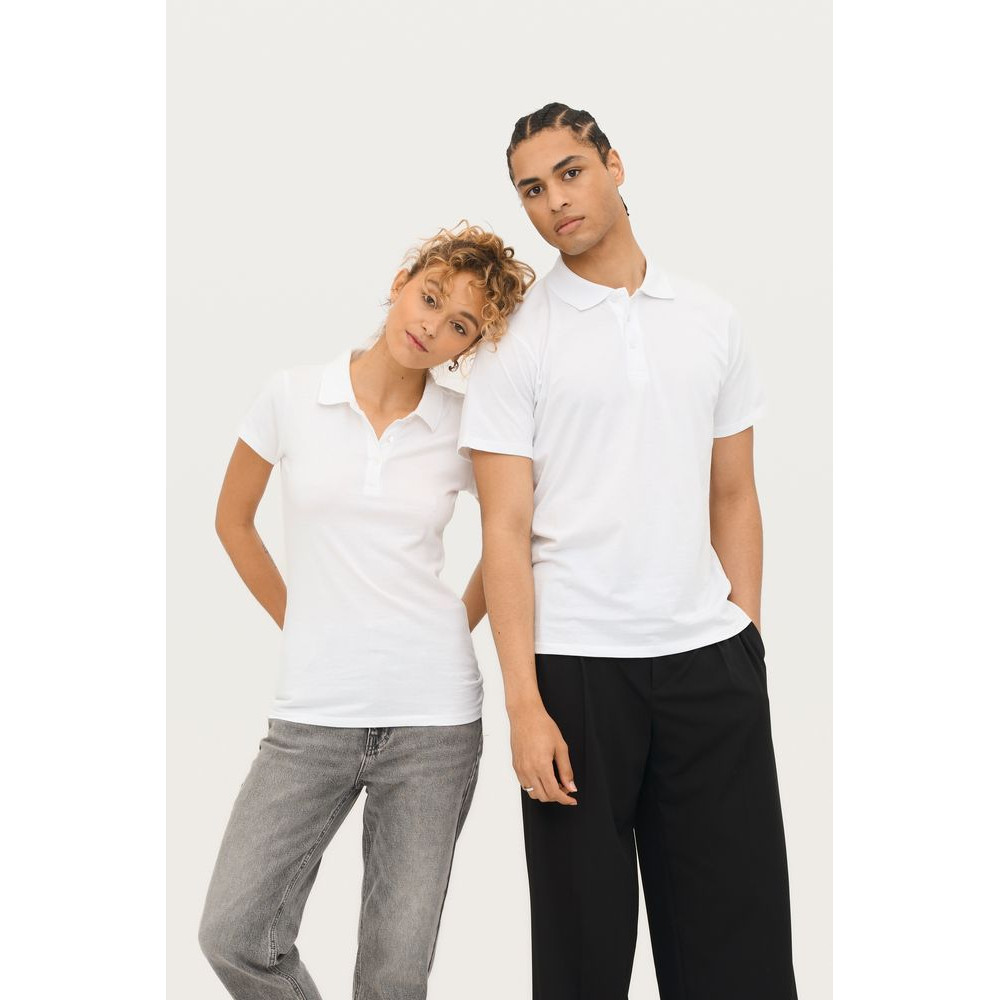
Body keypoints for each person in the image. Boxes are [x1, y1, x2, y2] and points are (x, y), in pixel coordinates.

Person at [459, 104, 798, 999]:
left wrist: (746, 635)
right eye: (532, 190)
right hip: (576, 673)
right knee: (583, 961)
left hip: (708, 666)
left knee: (741, 956)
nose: (555, 202)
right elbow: (502, 529)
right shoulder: (515, 339)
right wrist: (525, 705)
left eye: (570, 173)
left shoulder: (711, 318)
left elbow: (734, 493)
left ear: (614, 164)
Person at [198, 224, 534, 1000]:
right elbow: (233, 521)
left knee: (394, 974)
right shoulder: (291, 395)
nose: (433, 326)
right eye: (430, 297)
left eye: (461, 325)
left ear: (469, 346)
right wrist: (301, 621)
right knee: (233, 932)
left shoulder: (467, 423)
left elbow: (514, 535)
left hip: (434, 725)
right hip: (313, 716)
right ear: (401, 281)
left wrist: (456, 623)